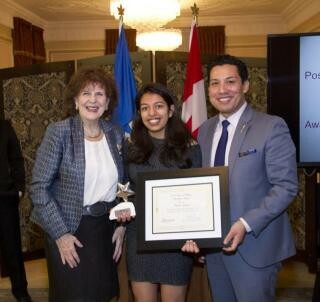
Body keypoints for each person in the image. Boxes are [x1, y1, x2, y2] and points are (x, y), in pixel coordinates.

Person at [182, 54, 298, 302]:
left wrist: (245, 224)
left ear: (245, 85)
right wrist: (200, 234)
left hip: (255, 248)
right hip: (214, 250)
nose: (222, 90)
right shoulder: (205, 130)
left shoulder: (271, 126)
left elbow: (285, 187)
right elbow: (202, 187)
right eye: (214, 83)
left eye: (230, 82)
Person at [31, 66, 130, 302]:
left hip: (104, 231)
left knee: (103, 294)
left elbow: (123, 183)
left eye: (100, 94)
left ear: (108, 103)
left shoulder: (115, 133)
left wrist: (121, 224)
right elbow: (38, 187)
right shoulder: (59, 133)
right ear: (76, 100)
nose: (93, 100)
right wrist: (61, 234)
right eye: (86, 93)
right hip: (69, 229)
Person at [125, 83, 202, 302]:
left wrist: (195, 233)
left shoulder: (190, 147)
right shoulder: (130, 146)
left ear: (170, 110)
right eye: (145, 108)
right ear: (139, 113)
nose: (152, 113)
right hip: (139, 239)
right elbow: (123, 189)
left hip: (176, 243)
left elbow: (198, 196)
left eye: (158, 106)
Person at [0, 119, 32, 302]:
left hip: (4, 198)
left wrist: (18, 188)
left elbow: (17, 159)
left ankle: (21, 292)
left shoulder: (5, 127)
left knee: (12, 248)